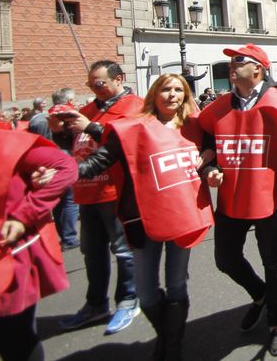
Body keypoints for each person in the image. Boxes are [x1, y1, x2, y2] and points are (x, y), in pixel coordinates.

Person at [75, 73, 213, 360]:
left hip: (183, 216)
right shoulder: (134, 127)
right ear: (154, 94)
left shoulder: (194, 128)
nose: (172, 95)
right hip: (141, 217)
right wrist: (66, 173)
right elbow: (102, 158)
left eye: (178, 90)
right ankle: (166, 335)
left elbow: (215, 149)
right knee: (146, 291)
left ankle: (171, 347)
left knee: (176, 285)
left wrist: (211, 157)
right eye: (166, 89)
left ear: (185, 96)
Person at [198, 44, 277, 357]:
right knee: (225, 259)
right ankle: (259, 293)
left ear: (258, 69)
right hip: (231, 197)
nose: (231, 66)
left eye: (239, 61)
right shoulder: (217, 108)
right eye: (230, 61)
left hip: (270, 198)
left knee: (273, 261)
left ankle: (275, 324)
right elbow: (209, 149)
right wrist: (211, 168)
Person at [0, 87, 78, 361]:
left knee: (14, 338)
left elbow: (66, 167)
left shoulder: (5, 142)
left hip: (4, 258)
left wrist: (25, 214)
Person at [57, 60, 142, 334]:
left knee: (123, 250)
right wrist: (60, 131)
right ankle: (95, 304)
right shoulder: (88, 109)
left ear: (119, 79)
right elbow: (72, 146)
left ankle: (128, 300)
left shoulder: (134, 106)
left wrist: (91, 127)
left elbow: (129, 143)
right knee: (91, 253)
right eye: (91, 84)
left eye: (100, 83)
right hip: (86, 192)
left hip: (115, 191)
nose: (95, 88)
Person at [28, 87, 80, 251]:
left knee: (57, 200)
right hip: (65, 160)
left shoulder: (36, 119)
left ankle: (64, 235)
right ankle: (69, 237)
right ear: (70, 101)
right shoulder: (71, 116)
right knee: (70, 201)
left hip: (43, 162)